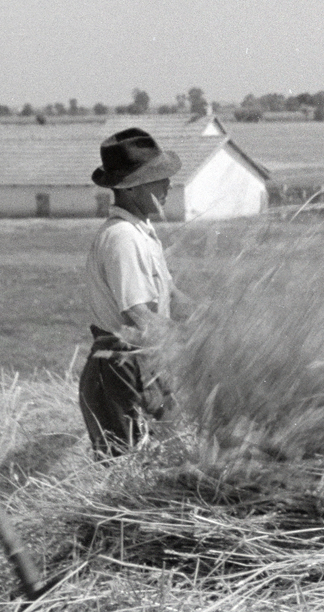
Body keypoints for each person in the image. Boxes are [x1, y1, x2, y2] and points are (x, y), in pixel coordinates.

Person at [78, 127, 187, 457]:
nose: (168, 184)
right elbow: (136, 314)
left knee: (169, 455)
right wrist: (190, 346)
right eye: (159, 178)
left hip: (142, 361)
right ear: (133, 187)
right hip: (121, 367)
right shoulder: (123, 237)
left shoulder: (143, 233)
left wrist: (217, 322)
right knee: (129, 467)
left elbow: (171, 296)